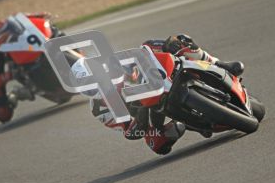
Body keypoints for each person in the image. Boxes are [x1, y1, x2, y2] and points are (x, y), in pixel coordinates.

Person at [72, 34, 244, 155]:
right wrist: (139, 121)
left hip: (163, 76)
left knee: (176, 41)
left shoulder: (116, 61)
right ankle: (193, 122)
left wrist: (160, 50)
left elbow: (145, 53)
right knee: (158, 145)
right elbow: (130, 133)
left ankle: (219, 64)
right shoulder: (100, 109)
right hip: (151, 111)